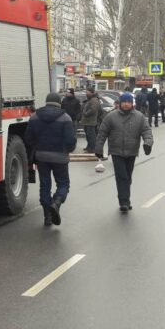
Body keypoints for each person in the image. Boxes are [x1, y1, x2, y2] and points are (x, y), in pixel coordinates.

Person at [25, 92, 77, 226]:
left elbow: (28, 138)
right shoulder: (65, 118)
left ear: (46, 101)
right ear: (59, 102)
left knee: (44, 185)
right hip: (60, 157)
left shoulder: (34, 116)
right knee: (63, 184)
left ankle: (47, 216)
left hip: (41, 157)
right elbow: (70, 140)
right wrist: (68, 150)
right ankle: (57, 202)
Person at [96, 92, 154, 212]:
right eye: (124, 102)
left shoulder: (139, 117)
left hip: (132, 151)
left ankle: (125, 199)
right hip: (116, 151)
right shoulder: (111, 116)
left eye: (128, 102)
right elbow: (102, 133)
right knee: (121, 176)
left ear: (132, 103)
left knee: (127, 177)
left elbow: (147, 131)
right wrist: (99, 148)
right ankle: (124, 202)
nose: (126, 104)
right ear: (120, 103)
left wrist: (147, 143)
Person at [81, 88, 102, 154]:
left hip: (91, 121)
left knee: (91, 136)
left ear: (92, 93)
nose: (86, 93)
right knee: (88, 135)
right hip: (87, 121)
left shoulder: (94, 100)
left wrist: (86, 113)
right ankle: (89, 147)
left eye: (88, 92)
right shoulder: (90, 99)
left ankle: (92, 148)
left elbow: (93, 109)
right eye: (86, 92)